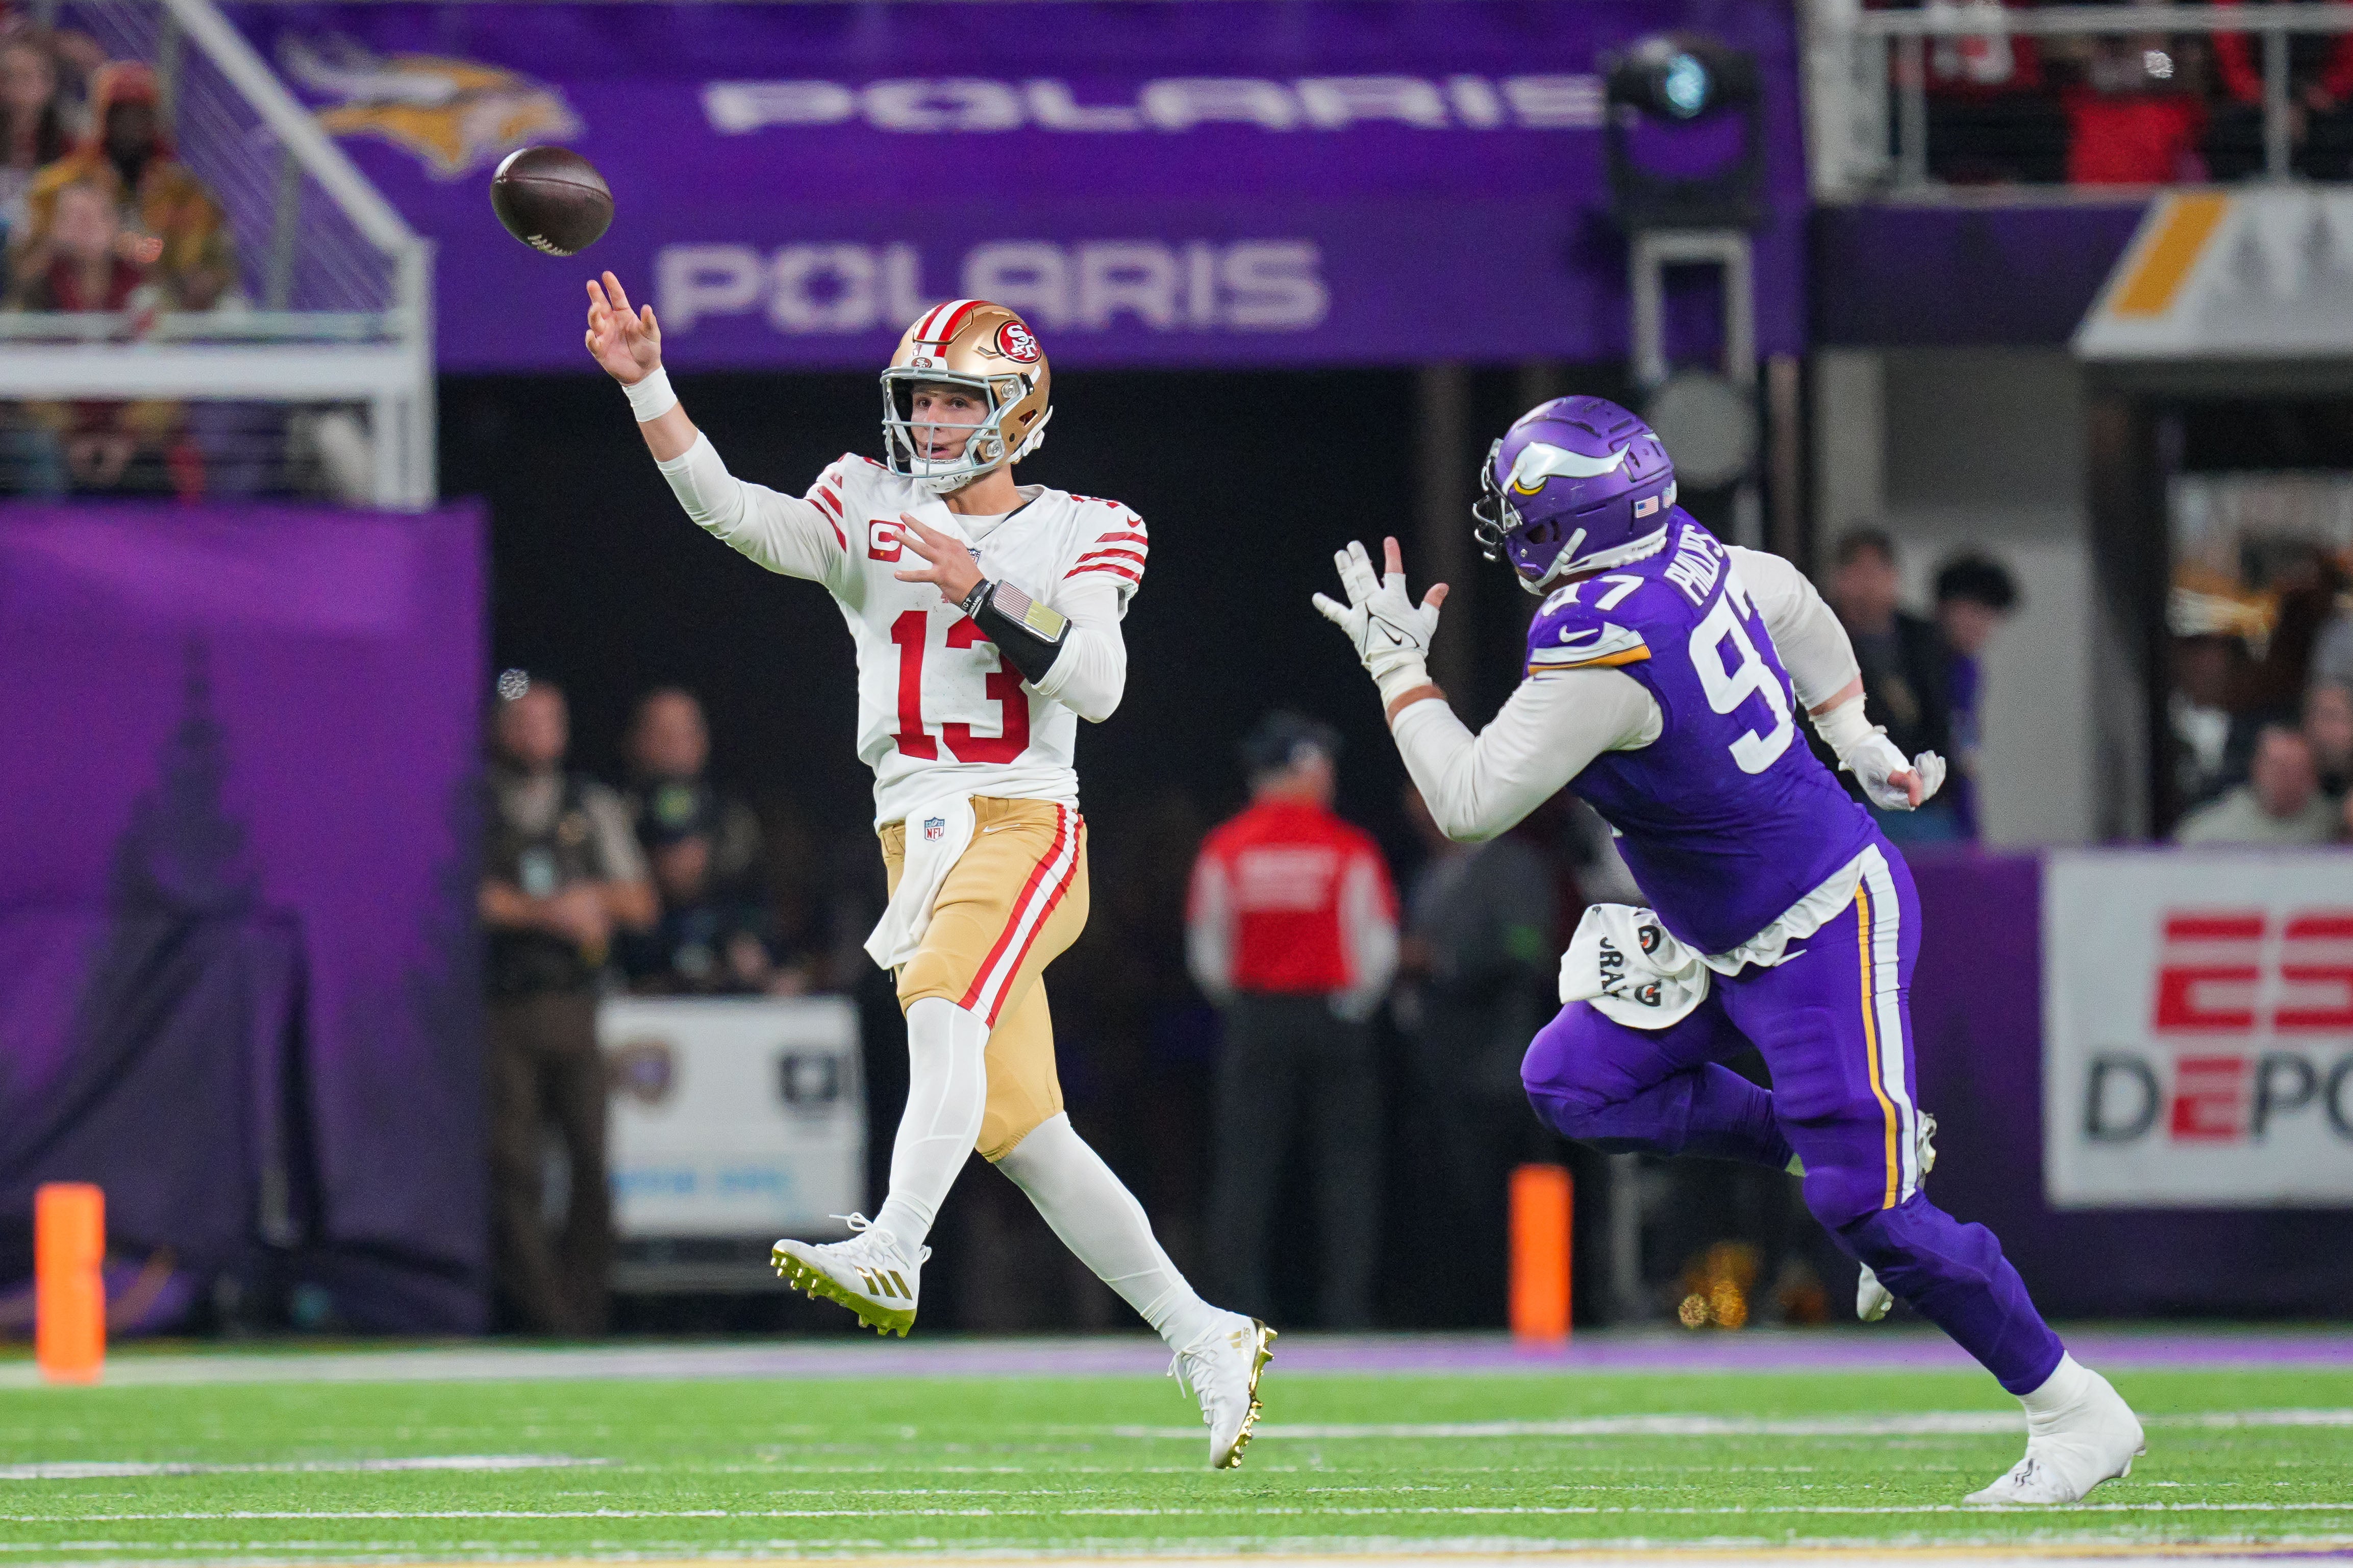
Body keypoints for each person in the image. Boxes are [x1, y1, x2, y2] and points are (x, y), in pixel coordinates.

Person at [1313, 395, 2144, 1505]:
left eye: (1518, 503)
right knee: (1572, 1080)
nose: (1503, 523)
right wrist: (1852, 734)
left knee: (1876, 1219)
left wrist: (1394, 672)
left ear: (1569, 518)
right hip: (1716, 929)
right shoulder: (1687, 558)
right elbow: (1790, 598)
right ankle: (1817, 1144)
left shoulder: (1598, 642)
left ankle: (2073, 1408)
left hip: (1816, 924)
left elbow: (1464, 800)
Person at [585, 274, 1271, 1467]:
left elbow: (1098, 688)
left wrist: (973, 585)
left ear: (1013, 410)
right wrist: (649, 384)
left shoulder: (1082, 526)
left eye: (956, 403)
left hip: (1023, 820)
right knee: (1024, 1131)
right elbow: (731, 515)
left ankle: (896, 1240)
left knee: (939, 995)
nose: (933, 425)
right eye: (922, 401)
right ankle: (1204, 1330)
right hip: (912, 831)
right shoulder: (864, 498)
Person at [1184, 712, 1398, 1329]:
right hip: (1332, 1019)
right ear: (1304, 768)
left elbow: (1208, 952)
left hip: (1256, 1019)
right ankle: (1347, 1307)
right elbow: (1376, 947)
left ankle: (1239, 1307)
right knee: (1347, 1169)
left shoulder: (1226, 848)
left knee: (1246, 1167)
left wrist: (1249, 1002)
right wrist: (1349, 1005)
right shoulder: (1347, 847)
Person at [480, 672, 657, 1334]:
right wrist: (545, 912)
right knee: (513, 1164)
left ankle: (587, 1309)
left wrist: (593, 903)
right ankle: (543, 1313)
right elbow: (464, 898)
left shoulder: (590, 804)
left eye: (549, 720)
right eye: (524, 720)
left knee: (591, 1157)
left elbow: (638, 900)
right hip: (505, 1006)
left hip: (576, 1004)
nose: (538, 734)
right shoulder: (477, 801)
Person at [1392, 780, 1555, 1322]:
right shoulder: (1428, 875)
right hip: (1436, 1067)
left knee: (1494, 1198)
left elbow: (1528, 947)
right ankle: (1450, 1315)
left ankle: (1510, 1314)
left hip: (1498, 1066)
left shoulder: (1516, 865)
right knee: (1444, 1201)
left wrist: (1440, 960)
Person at [19, 62, 234, 312]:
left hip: (161, 316)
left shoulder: (184, 192)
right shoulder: (58, 185)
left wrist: (133, 248)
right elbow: (25, 263)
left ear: (154, 121)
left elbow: (209, 267)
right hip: (61, 308)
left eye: (140, 114)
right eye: (120, 114)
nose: (131, 127)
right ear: (102, 118)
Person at [1823, 529, 1961, 844]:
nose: (1867, 585)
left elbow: (1939, 723)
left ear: (1894, 578)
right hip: (1849, 798)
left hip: (1921, 800)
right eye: (1857, 571)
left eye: (1877, 572)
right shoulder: (1818, 641)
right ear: (1839, 580)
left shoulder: (1923, 640)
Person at [1933, 552, 2021, 843]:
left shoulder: (1967, 671)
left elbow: (1965, 756)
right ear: (1945, 608)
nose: (1981, 627)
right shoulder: (1925, 665)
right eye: (1973, 612)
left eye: (1989, 617)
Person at [2174, 724, 2340, 846]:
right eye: (2279, 768)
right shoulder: (2211, 832)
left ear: (2313, 777)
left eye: (2297, 770)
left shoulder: (2334, 824)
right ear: (2256, 768)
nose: (2287, 779)